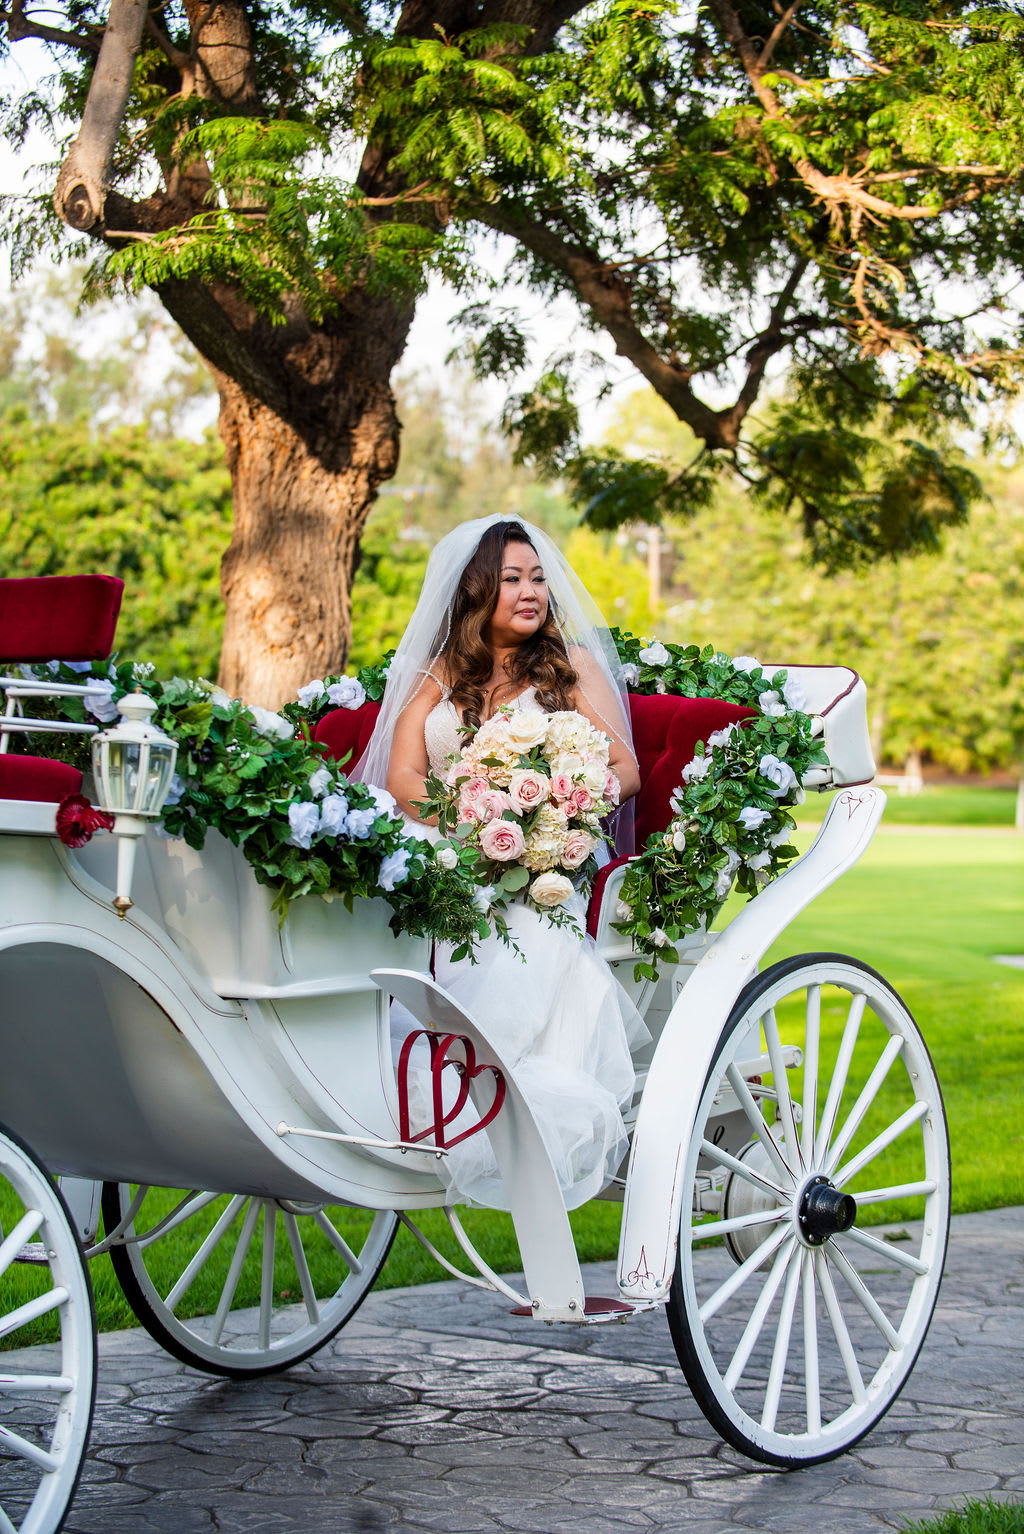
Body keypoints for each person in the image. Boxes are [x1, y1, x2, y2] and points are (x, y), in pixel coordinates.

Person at [356, 515, 647, 1210]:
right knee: (401, 902)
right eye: (512, 579)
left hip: (543, 860)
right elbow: (401, 779)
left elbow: (625, 770)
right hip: (446, 845)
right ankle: (384, 1076)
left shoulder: (566, 667)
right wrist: (467, 819)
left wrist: (550, 802)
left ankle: (497, 1100)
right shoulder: (436, 673)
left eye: (539, 579)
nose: (531, 592)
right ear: (477, 591)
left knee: (531, 934)